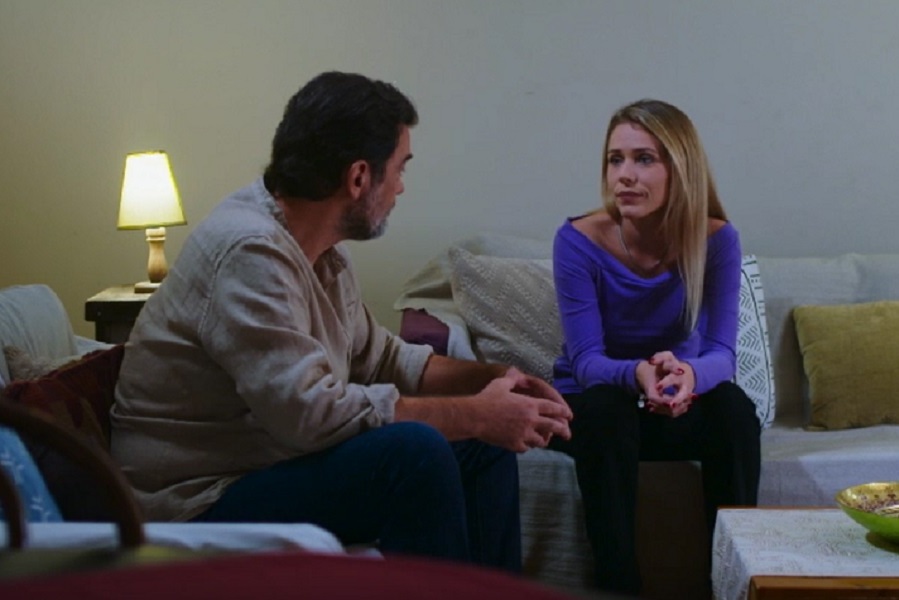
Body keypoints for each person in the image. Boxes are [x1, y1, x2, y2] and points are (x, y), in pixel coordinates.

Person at [110, 71, 572, 573]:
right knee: (414, 453)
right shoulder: (249, 252)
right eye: (399, 169)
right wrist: (475, 415)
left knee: (481, 446)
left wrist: (493, 380)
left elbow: (383, 359)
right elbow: (310, 415)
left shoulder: (322, 254)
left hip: (261, 466)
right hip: (197, 500)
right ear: (358, 179)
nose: (401, 188)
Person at [548, 99, 761, 594]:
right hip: (600, 408)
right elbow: (586, 361)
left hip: (672, 400)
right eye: (615, 159)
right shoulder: (577, 241)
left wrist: (688, 376)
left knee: (734, 412)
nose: (624, 175)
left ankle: (731, 585)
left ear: (680, 169)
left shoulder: (717, 240)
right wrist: (639, 374)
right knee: (606, 409)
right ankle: (619, 587)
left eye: (644, 159)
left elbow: (722, 354)